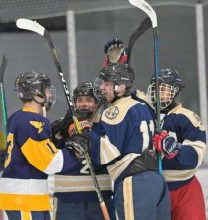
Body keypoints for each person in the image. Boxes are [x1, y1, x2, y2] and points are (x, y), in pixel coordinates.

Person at [65, 63, 171, 220]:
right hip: (157, 181)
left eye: (107, 83)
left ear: (121, 87)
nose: (102, 87)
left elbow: (107, 153)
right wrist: (92, 129)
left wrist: (86, 135)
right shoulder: (142, 106)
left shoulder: (114, 110)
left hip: (135, 183)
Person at [0, 71, 79, 220]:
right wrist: (75, 150)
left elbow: (28, 153)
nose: (49, 93)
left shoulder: (18, 117)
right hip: (25, 197)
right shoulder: (30, 122)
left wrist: (56, 137)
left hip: (27, 195)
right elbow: (50, 163)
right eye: (46, 89)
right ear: (36, 92)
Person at [148, 68, 207, 220]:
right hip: (152, 188)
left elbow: (196, 155)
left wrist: (175, 150)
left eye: (164, 89)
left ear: (175, 91)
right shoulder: (143, 116)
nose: (158, 92)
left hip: (184, 188)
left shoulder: (186, 117)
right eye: (155, 88)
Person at [51, 82, 113, 220]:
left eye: (89, 100)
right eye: (79, 100)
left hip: (99, 199)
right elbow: (46, 153)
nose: (83, 104)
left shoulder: (107, 126)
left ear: (97, 103)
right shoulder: (62, 125)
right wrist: (57, 134)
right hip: (67, 200)